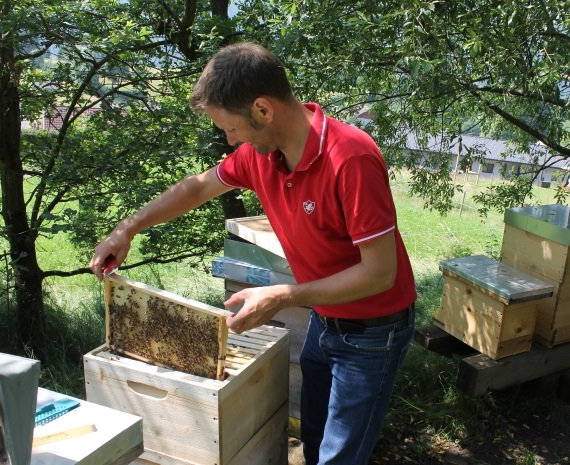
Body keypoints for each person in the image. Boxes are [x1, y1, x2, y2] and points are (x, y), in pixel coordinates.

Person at [90, 42, 417, 465]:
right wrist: (127, 227)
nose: (229, 140)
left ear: (263, 110)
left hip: (374, 332)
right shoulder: (260, 156)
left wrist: (284, 295)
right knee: (315, 437)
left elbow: (379, 273)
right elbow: (199, 186)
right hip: (325, 318)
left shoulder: (350, 158)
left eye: (230, 129)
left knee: (341, 457)